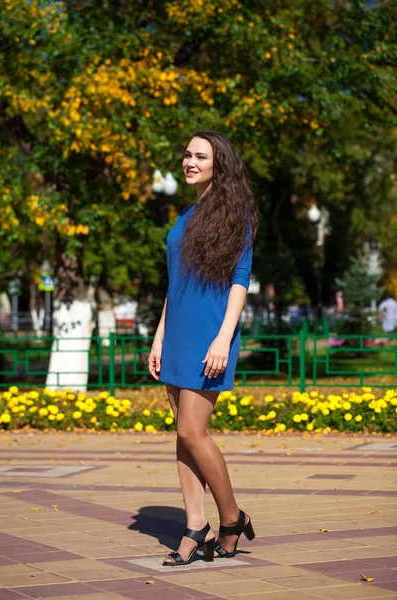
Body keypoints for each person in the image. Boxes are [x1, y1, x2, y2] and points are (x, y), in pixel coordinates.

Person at [148, 130, 259, 567]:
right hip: (176, 333)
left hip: (211, 335)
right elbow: (175, 285)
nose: (190, 161)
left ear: (219, 164)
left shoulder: (237, 215)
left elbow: (240, 281)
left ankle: (231, 517)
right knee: (182, 433)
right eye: (187, 154)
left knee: (194, 431)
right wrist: (159, 335)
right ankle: (197, 526)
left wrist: (223, 336)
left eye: (200, 156)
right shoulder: (184, 217)